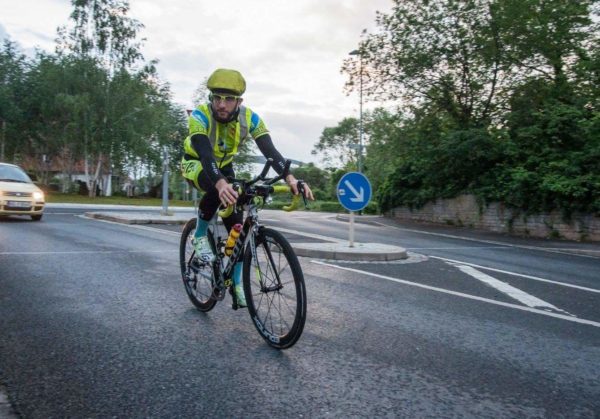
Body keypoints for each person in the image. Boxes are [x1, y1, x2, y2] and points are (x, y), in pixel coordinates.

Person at [181, 68, 314, 308]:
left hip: (225, 167)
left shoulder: (250, 118)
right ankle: (199, 235)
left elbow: (270, 152)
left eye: (228, 99)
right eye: (217, 98)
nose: (221, 104)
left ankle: (237, 285)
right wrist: (221, 183)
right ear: (211, 98)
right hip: (196, 163)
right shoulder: (200, 116)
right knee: (217, 187)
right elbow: (206, 154)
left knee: (238, 226)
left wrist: (291, 179)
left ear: (239, 102)